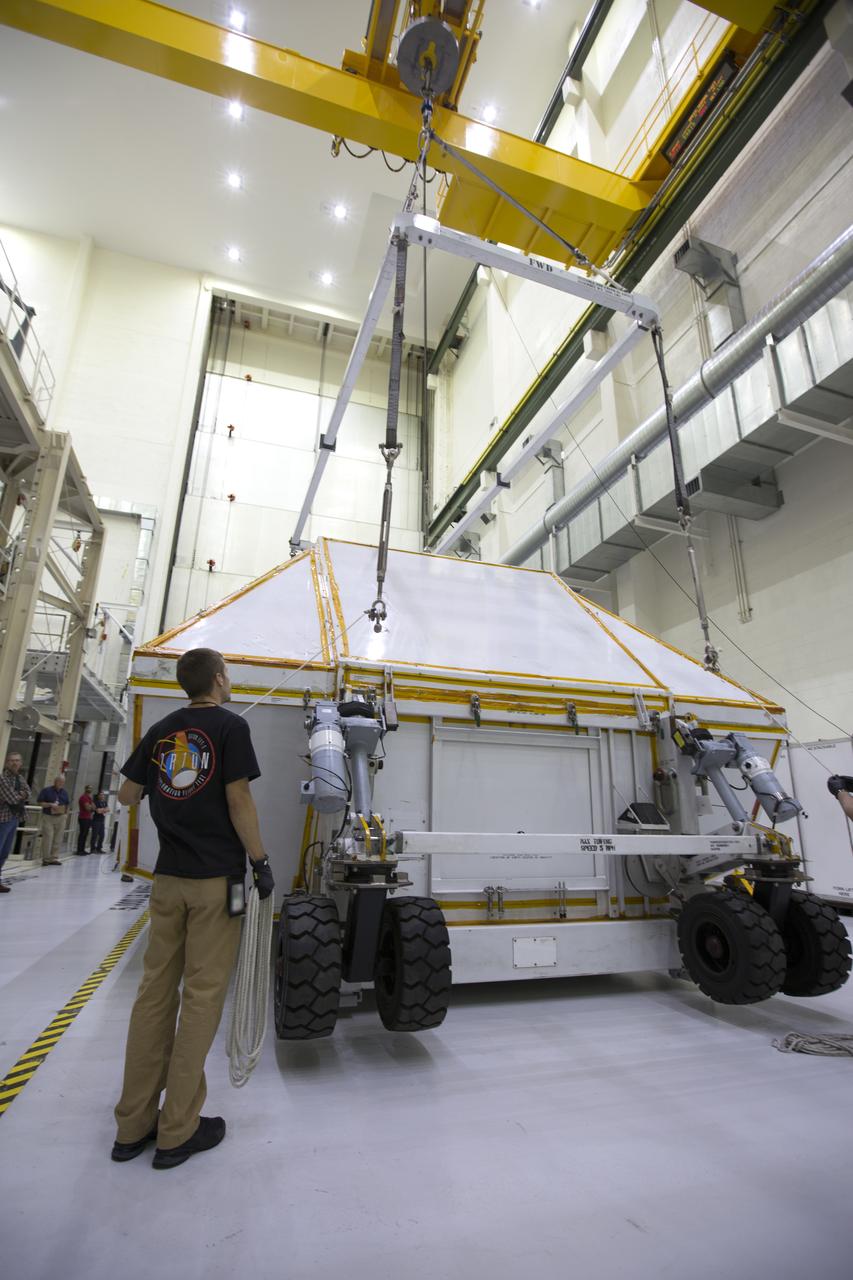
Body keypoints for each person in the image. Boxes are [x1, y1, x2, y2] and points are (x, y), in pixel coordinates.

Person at [112, 647, 274, 1170]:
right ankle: (177, 1129)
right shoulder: (230, 729)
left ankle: (133, 1124)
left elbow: (125, 795)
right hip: (216, 885)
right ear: (220, 680)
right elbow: (239, 801)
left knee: (154, 994)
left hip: (168, 882)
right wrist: (260, 860)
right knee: (202, 996)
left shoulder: (163, 729)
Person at [0, 752, 31, 893]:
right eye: (12, 760)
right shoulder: (3, 778)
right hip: (3, 818)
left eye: (17, 760)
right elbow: (11, 798)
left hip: (14, 818)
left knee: (5, 852)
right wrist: (20, 795)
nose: (14, 763)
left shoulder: (20, 778)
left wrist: (20, 795)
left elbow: (28, 793)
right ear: (7, 762)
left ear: (21, 763)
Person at [37, 774, 70, 865]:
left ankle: (54, 858)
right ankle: (46, 858)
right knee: (48, 837)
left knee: (58, 838)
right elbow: (40, 803)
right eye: (59, 781)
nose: (61, 783)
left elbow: (67, 804)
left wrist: (66, 815)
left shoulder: (64, 792)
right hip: (48, 816)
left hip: (61, 817)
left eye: (63, 782)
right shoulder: (46, 791)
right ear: (55, 781)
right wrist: (50, 804)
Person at [76, 784, 95, 854]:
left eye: (91, 788)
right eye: (89, 788)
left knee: (85, 834)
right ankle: (79, 850)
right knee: (82, 834)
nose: (90, 789)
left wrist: (91, 807)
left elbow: (94, 807)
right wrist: (91, 807)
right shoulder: (83, 797)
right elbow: (88, 808)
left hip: (88, 818)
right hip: (83, 818)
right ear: (86, 789)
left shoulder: (89, 798)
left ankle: (82, 849)